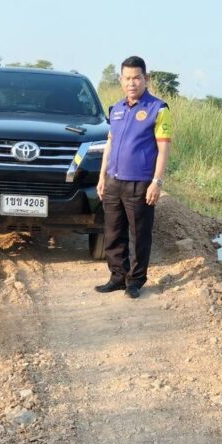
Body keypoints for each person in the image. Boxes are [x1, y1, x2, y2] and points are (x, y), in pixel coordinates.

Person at [94, 55, 172, 299]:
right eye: (127, 78)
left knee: (139, 235)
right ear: (121, 80)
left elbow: (164, 149)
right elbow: (110, 143)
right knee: (113, 232)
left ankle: (135, 281)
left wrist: (157, 182)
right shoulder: (115, 109)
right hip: (113, 181)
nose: (131, 83)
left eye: (136, 78)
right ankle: (117, 276)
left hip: (140, 183)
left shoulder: (158, 109)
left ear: (146, 78)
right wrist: (102, 177)